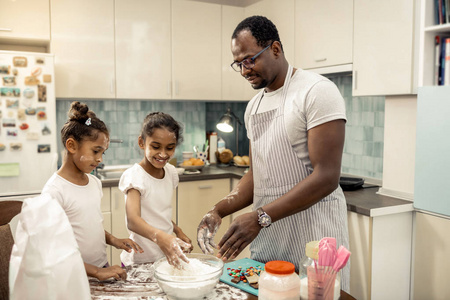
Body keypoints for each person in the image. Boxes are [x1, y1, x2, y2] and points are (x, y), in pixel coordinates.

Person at [197, 15, 350, 291]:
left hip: (313, 243)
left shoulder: (317, 92)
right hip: (271, 240)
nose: (244, 70)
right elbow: (258, 174)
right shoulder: (254, 106)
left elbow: (327, 176)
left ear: (275, 49)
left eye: (249, 59)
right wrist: (218, 210)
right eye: (238, 63)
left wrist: (259, 217)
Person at [42, 101, 142, 281]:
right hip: (72, 276)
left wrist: (114, 240)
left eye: (103, 152)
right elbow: (52, 249)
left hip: (100, 268)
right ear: (71, 146)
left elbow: (89, 227)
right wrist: (96, 272)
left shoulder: (94, 183)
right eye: (96, 151)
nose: (100, 159)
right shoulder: (54, 191)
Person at [118, 112, 193, 268]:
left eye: (170, 148)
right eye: (156, 146)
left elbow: (158, 214)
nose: (163, 154)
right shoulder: (135, 177)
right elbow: (133, 221)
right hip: (140, 259)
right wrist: (162, 238)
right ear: (142, 142)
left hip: (163, 257)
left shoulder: (171, 172)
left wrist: (178, 231)